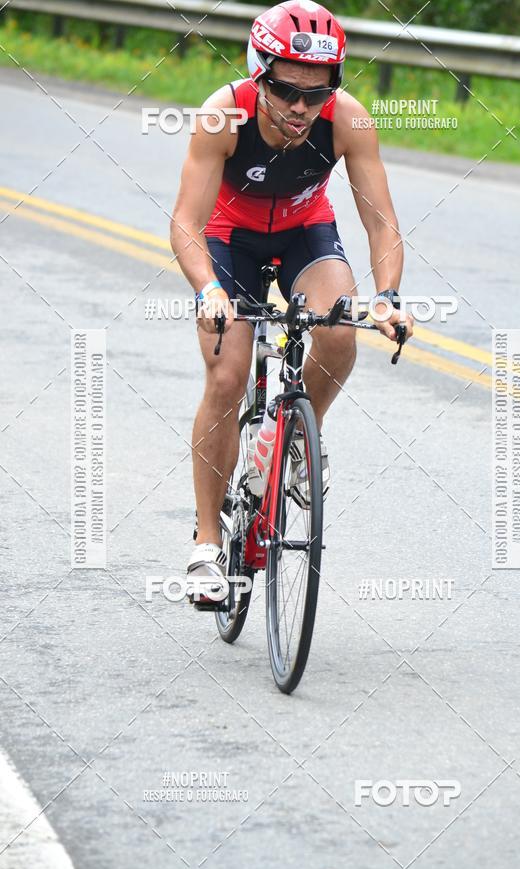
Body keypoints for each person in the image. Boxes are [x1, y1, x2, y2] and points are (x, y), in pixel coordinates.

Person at [170, 0, 413, 604]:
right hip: (229, 238)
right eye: (286, 92)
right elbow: (185, 223)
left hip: (305, 230)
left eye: (318, 92)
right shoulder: (224, 115)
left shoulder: (347, 120)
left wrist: (387, 298)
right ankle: (205, 546)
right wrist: (209, 290)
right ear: (259, 73)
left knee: (339, 328)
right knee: (227, 374)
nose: (303, 109)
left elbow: (382, 225)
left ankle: (300, 440)